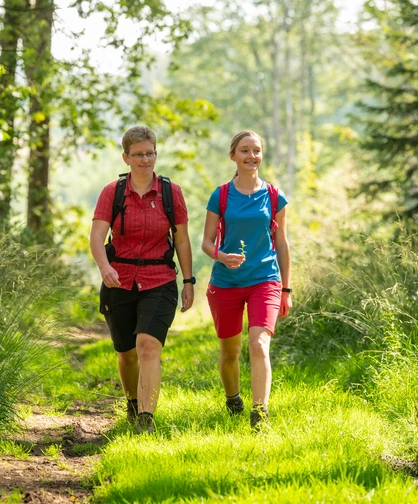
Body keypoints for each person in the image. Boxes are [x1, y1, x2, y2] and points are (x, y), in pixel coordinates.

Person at [90, 125, 195, 434]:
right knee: (126, 353)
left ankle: (146, 419)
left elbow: (183, 241)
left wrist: (188, 281)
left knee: (148, 346)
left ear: (156, 154)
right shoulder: (113, 192)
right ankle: (133, 403)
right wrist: (104, 267)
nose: (145, 160)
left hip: (159, 278)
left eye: (150, 153)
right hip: (119, 280)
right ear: (126, 157)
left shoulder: (170, 192)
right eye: (138, 155)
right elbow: (97, 236)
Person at [201, 130, 291, 430]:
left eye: (256, 150)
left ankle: (259, 414)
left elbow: (282, 243)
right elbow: (206, 241)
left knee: (259, 344)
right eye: (244, 151)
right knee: (230, 352)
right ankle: (233, 399)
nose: (251, 156)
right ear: (233, 156)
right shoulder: (221, 195)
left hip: (265, 279)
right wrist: (221, 256)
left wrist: (286, 289)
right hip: (226, 282)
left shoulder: (275, 196)